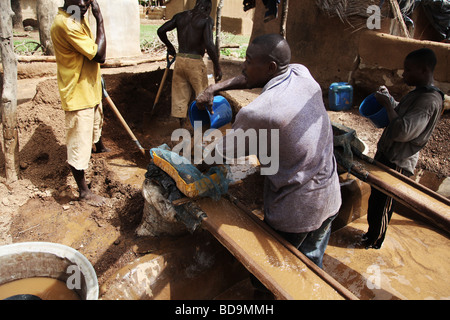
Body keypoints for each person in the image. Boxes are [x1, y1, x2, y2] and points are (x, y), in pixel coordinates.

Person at [197, 34, 342, 271]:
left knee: (272, 275)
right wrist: (214, 88)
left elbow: (218, 154)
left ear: (271, 67)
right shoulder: (300, 73)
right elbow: (250, 79)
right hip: (329, 196)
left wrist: (195, 164)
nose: (243, 65)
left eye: (248, 60)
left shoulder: (260, 112)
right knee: (312, 271)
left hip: (297, 212)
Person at [363, 48, 444, 249]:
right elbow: (403, 113)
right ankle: (370, 235)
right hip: (388, 155)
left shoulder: (428, 101)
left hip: (398, 162)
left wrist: (388, 107)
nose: (403, 74)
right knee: (375, 201)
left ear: (424, 70)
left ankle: (374, 244)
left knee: (383, 206)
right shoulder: (418, 94)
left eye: (408, 70)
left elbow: (402, 131)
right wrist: (389, 100)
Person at [51, 0, 108, 206]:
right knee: (78, 145)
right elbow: (99, 55)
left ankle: (99, 148)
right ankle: (84, 192)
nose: (84, 3)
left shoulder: (77, 16)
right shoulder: (66, 24)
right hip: (77, 94)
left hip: (88, 88)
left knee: (94, 127)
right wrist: (100, 20)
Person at [157, 0, 222, 127]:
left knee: (179, 97)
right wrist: (217, 66)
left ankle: (181, 127)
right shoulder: (206, 19)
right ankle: (204, 126)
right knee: (203, 94)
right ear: (208, 8)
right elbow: (209, 44)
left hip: (180, 61)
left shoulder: (180, 16)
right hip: (195, 62)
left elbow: (161, 31)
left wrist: (170, 47)